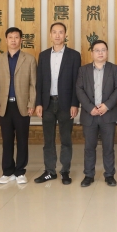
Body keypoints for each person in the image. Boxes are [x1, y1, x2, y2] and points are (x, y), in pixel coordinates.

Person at [34, 23, 81, 185]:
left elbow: (76, 82)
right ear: (50, 35)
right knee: (48, 140)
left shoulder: (74, 55)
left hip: (66, 104)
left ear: (65, 35)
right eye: (54, 32)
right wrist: (38, 103)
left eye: (61, 32)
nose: (57, 35)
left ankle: (65, 171)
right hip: (47, 103)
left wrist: (75, 104)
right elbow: (40, 81)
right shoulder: (43, 55)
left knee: (66, 139)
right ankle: (50, 171)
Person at [0, 27, 37, 185]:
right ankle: (7, 171)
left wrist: (31, 103)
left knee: (22, 140)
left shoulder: (29, 59)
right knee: (7, 140)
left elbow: (33, 84)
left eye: (16, 37)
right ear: (6, 40)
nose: (13, 40)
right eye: (10, 37)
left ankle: (20, 171)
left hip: (22, 105)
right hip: (4, 105)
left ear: (21, 40)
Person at [75, 40, 117, 187]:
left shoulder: (114, 69)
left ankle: (109, 175)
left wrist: (106, 106)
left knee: (108, 147)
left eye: (103, 50)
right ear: (92, 53)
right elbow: (79, 90)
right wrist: (90, 108)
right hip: (90, 114)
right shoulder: (83, 70)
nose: (100, 53)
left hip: (108, 114)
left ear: (107, 52)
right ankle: (89, 175)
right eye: (97, 50)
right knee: (89, 147)